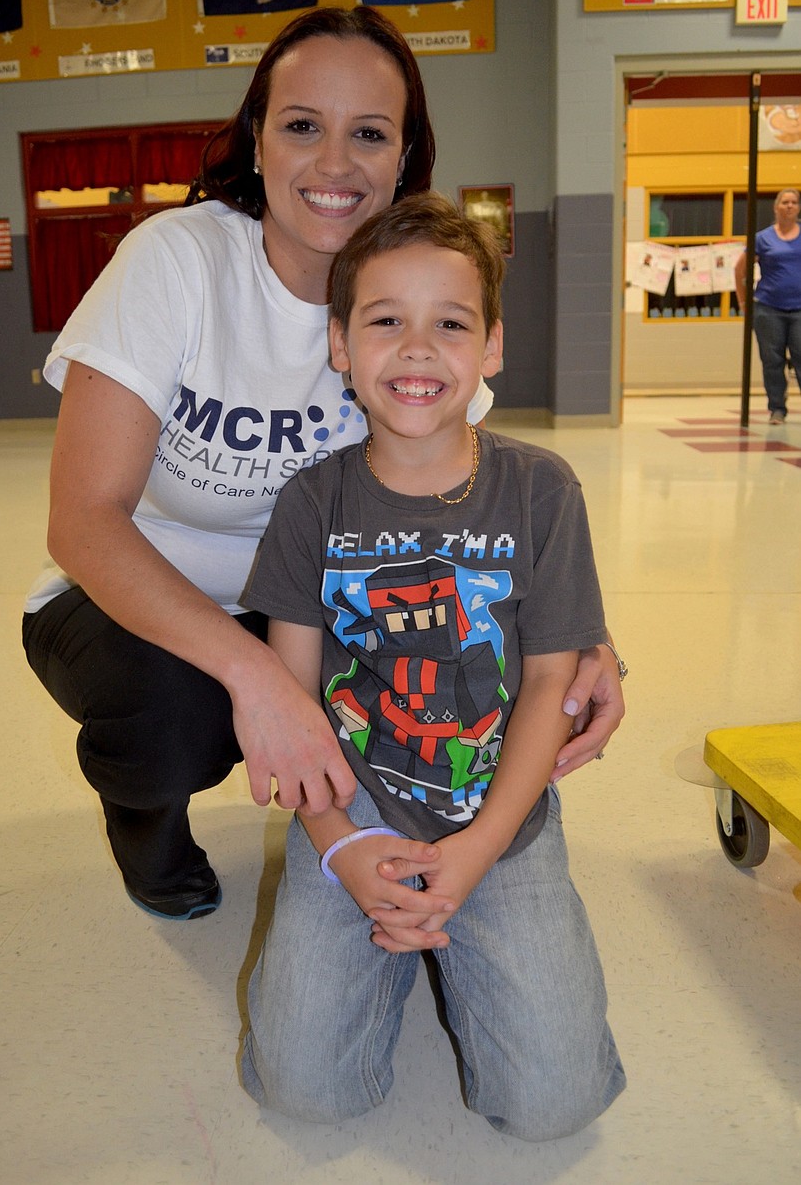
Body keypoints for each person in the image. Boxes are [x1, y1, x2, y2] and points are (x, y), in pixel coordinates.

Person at [21, 5, 625, 923]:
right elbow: (83, 522)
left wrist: (587, 641)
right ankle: (144, 815)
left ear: (403, 156)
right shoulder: (176, 263)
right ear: (257, 139)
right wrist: (255, 674)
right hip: (127, 601)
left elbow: (484, 510)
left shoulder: (411, 299)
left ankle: (423, 833)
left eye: (369, 134)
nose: (335, 163)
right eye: (303, 125)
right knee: (177, 714)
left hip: (315, 602)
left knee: (468, 649)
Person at [241, 193, 626, 1138]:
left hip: (501, 805)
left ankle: (445, 935)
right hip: (354, 798)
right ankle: (398, 932)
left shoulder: (542, 488)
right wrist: (336, 842)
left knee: (554, 1107)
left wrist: (479, 848)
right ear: (340, 343)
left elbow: (548, 682)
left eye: (450, 324)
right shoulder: (309, 503)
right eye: (385, 321)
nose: (418, 349)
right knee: (304, 1092)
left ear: (492, 345)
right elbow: (292, 701)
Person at [735, 187, 801, 424]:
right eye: (785, 202)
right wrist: (743, 300)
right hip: (769, 308)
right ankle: (777, 409)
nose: (790, 206)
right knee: (772, 360)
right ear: (776, 207)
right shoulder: (762, 238)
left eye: (794, 202)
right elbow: (740, 269)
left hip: (799, 310)